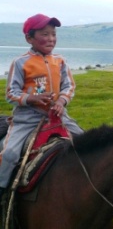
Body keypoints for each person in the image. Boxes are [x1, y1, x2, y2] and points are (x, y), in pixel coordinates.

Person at [0, 14, 84, 197]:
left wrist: (61, 102)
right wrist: (31, 99)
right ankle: (2, 190)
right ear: (29, 38)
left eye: (53, 34)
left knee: (86, 143)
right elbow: (10, 94)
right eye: (44, 34)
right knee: (9, 154)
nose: (51, 39)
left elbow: (69, 86)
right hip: (27, 120)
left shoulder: (60, 61)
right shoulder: (21, 63)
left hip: (58, 116)